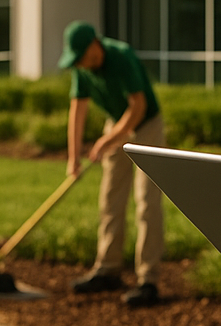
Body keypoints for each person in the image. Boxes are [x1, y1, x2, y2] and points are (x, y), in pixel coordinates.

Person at [59, 20, 165, 309]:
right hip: (116, 124)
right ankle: (108, 269)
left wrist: (107, 140)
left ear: (95, 45)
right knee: (110, 198)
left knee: (146, 202)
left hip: (146, 126)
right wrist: (73, 157)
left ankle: (148, 280)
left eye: (83, 56)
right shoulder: (83, 68)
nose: (80, 63)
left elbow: (138, 107)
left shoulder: (122, 56)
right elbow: (77, 111)